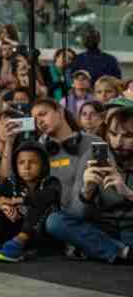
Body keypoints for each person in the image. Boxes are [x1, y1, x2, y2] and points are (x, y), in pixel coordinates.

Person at [45, 106, 133, 264]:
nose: (118, 142)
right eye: (113, 134)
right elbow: (77, 214)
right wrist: (86, 192)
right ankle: (123, 252)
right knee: (55, 221)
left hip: (130, 229)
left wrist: (128, 193)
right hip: (102, 229)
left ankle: (97, 250)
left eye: (127, 136)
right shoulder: (94, 156)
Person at [0, 142, 60, 262]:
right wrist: (2, 205)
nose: (26, 167)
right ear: (15, 166)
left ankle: (18, 244)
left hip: (37, 235)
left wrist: (17, 201)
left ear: (43, 165)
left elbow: (49, 195)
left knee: (38, 203)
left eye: (32, 162)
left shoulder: (51, 182)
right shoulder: (11, 183)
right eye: (21, 163)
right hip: (13, 229)